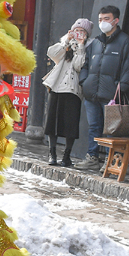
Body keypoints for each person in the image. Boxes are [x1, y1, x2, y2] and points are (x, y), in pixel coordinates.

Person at [75, 6, 129, 170]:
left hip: (111, 94)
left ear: (116, 20)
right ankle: (92, 157)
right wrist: (84, 82)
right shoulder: (95, 42)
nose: (103, 22)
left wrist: (121, 87)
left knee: (112, 129)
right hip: (91, 93)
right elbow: (86, 64)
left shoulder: (125, 41)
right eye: (100, 19)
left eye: (106, 19)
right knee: (93, 127)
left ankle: (111, 161)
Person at [43, 18, 92, 167]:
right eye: (76, 30)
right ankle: (52, 154)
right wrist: (66, 41)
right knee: (52, 123)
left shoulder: (87, 48)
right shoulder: (66, 44)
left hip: (73, 90)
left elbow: (78, 66)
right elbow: (52, 53)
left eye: (82, 31)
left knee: (71, 124)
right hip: (56, 87)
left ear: (87, 34)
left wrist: (80, 47)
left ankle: (66, 156)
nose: (78, 33)